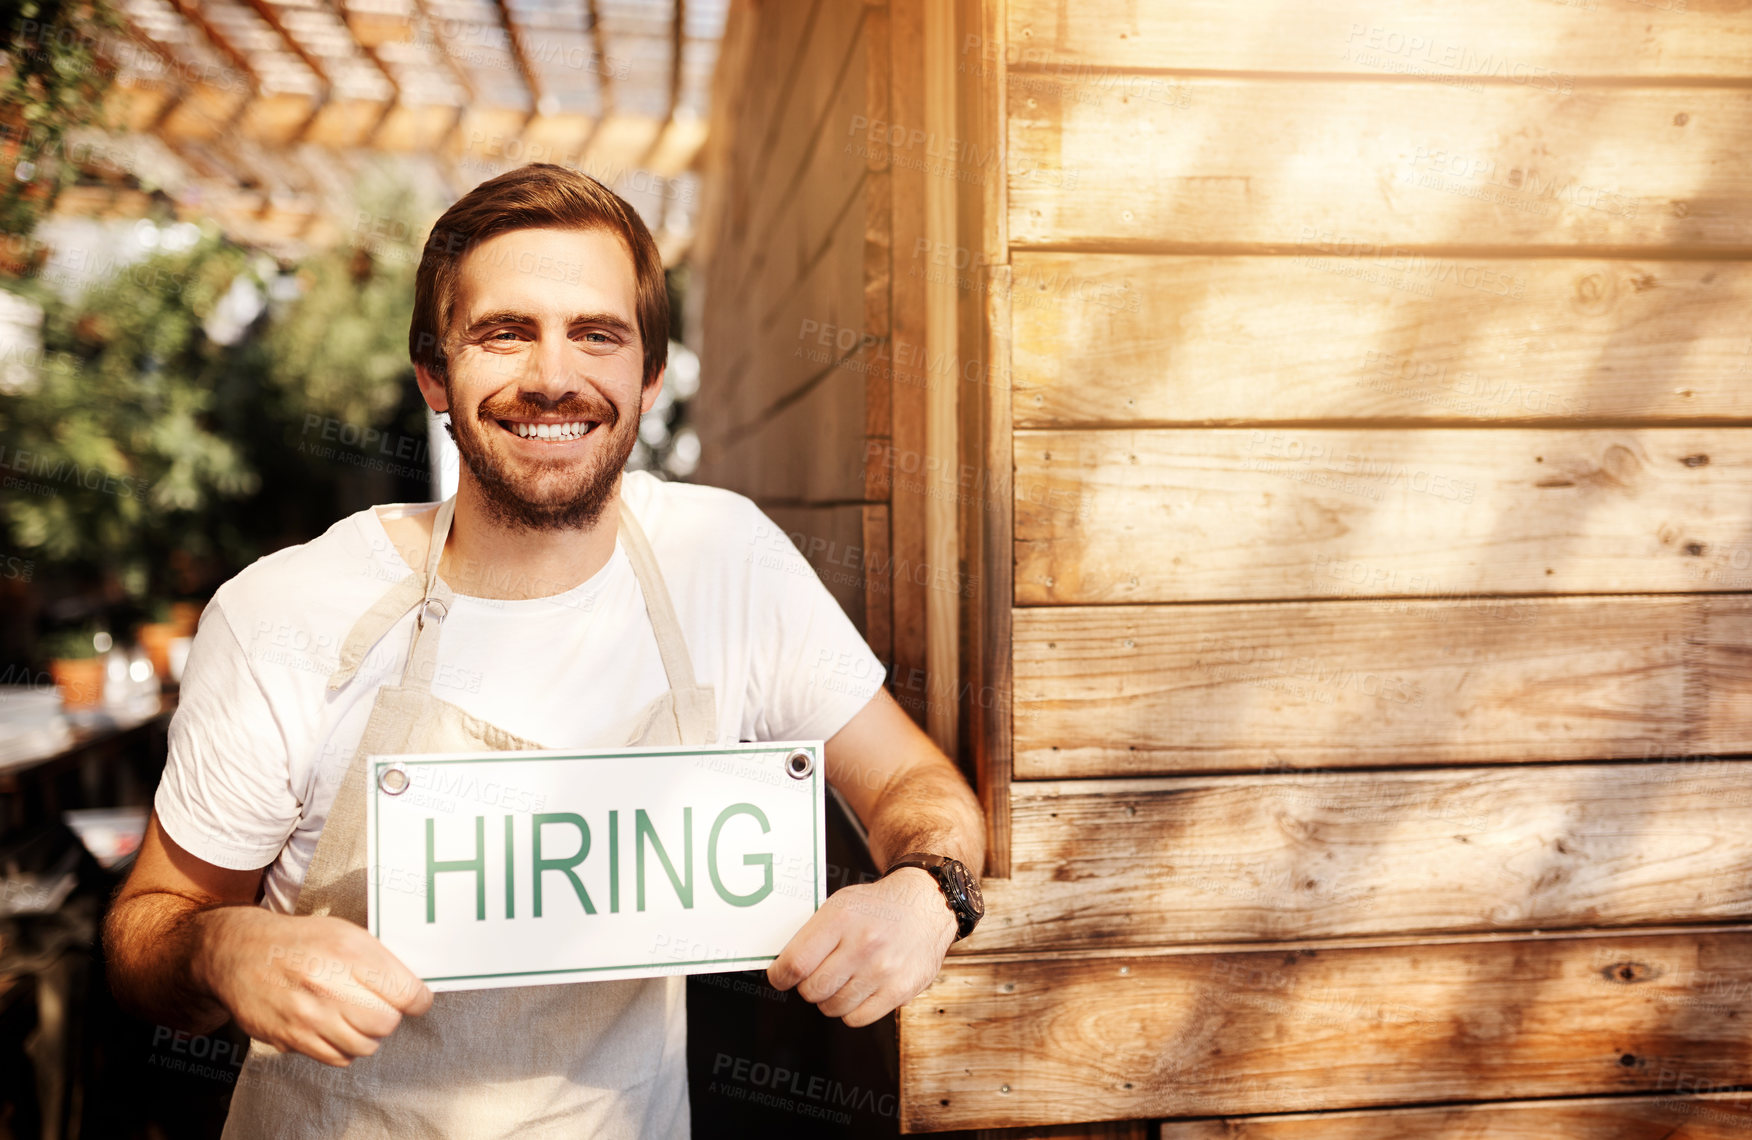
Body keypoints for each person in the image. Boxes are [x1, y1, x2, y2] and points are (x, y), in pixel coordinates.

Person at [103, 163, 987, 1138]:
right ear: (435, 373)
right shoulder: (287, 611)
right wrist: (222, 949)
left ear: (650, 376)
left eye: (597, 335)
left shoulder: (725, 563)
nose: (554, 376)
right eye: (504, 332)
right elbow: (149, 928)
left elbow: (912, 783)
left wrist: (927, 891)